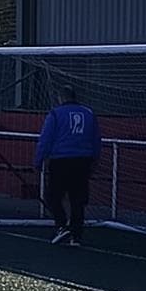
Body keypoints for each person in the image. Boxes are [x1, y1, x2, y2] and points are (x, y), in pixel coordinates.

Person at [36, 85, 101, 246]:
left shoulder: (55, 114)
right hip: (83, 161)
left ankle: (61, 226)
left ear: (61, 98)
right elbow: (96, 139)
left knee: (53, 197)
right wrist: (95, 160)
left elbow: (45, 140)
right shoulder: (89, 113)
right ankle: (76, 236)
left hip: (61, 161)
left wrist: (38, 160)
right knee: (78, 199)